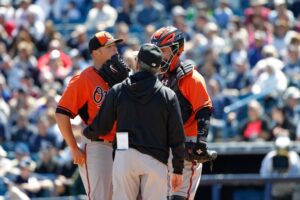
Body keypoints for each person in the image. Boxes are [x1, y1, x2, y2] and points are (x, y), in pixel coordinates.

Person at [83, 43, 185, 200]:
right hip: (156, 159)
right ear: (158, 68)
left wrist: (87, 132)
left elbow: (102, 126)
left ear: (137, 63)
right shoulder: (168, 95)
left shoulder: (118, 89)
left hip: (125, 155)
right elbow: (177, 137)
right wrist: (178, 169)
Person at [55, 31, 129, 200]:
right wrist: (74, 148)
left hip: (123, 141)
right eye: (109, 47)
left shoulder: (123, 77)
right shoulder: (83, 79)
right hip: (99, 145)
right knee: (101, 197)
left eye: (115, 46)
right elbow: (61, 114)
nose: (115, 50)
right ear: (96, 52)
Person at [150, 26, 217, 200]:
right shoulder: (156, 77)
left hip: (186, 145)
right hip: (163, 147)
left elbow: (204, 111)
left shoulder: (191, 77)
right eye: (157, 51)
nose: (159, 55)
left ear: (178, 49)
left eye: (163, 50)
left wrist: (201, 143)